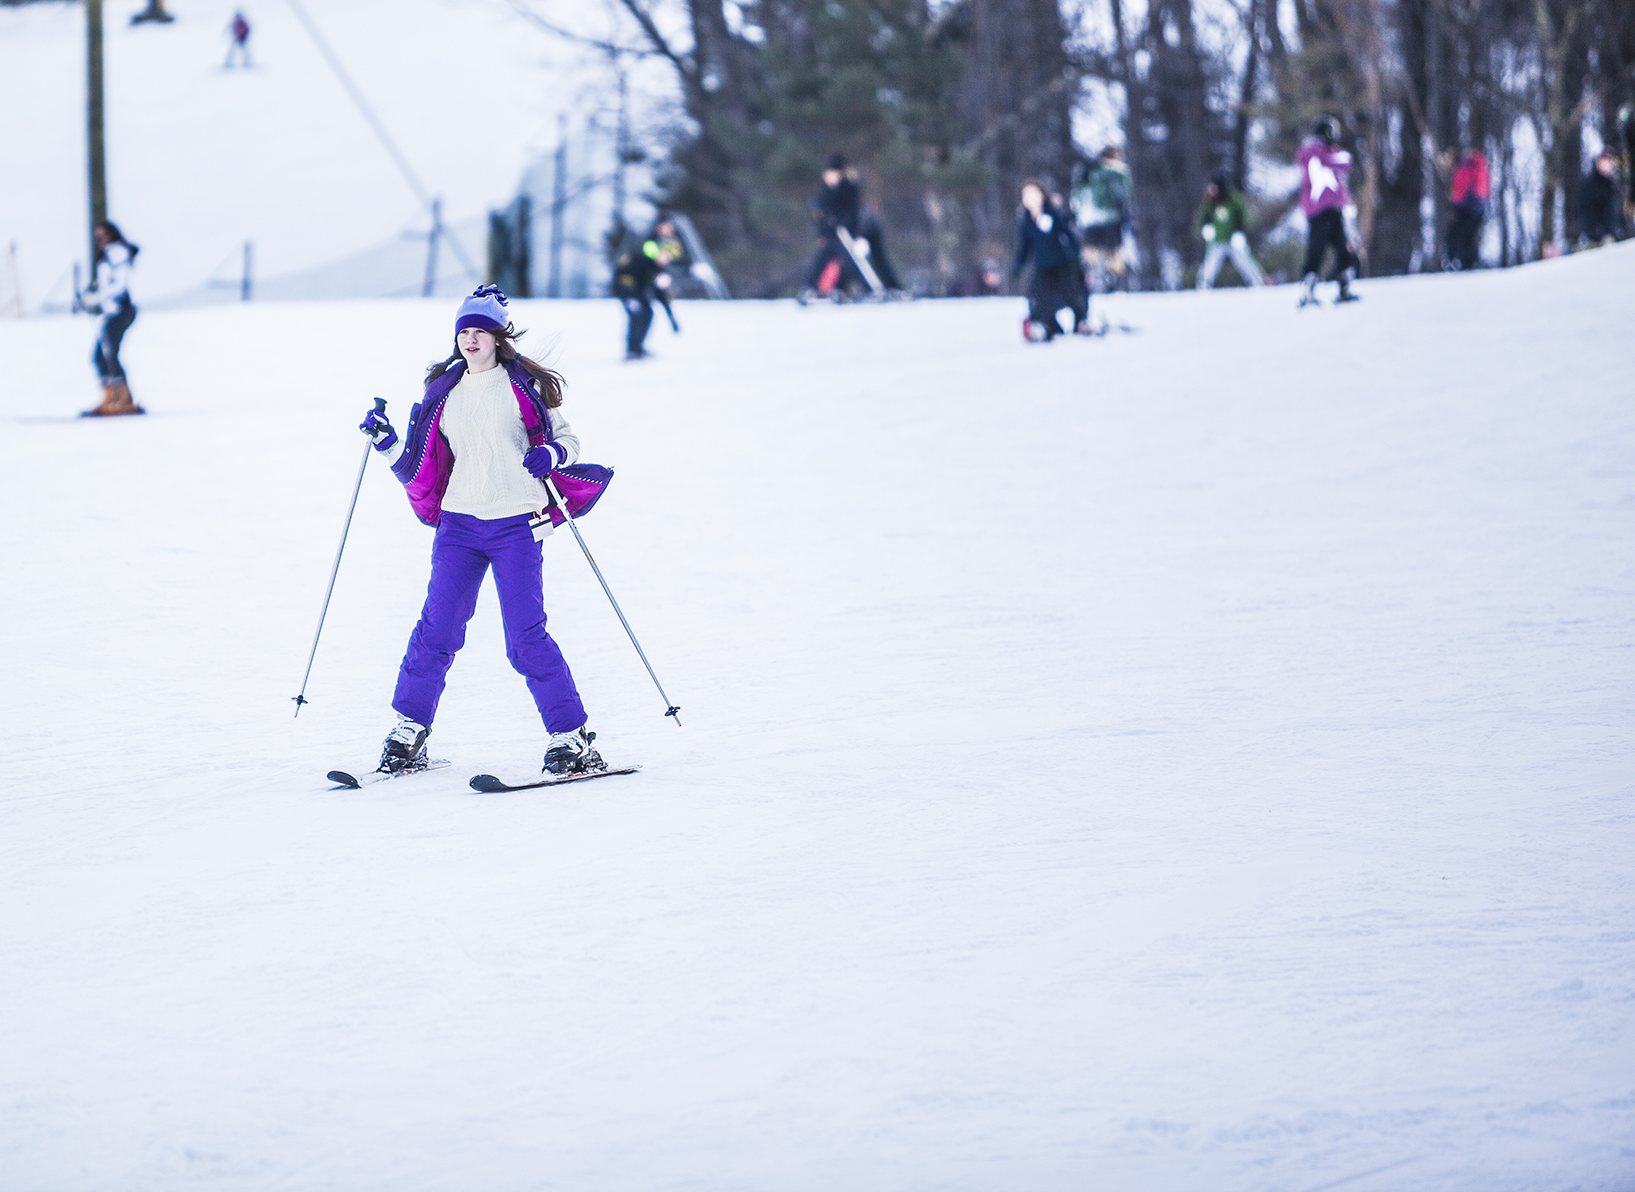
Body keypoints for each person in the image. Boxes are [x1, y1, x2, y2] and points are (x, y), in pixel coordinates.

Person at [357, 285, 605, 779]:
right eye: (463, 331)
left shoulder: (524, 389)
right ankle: (409, 731)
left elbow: (569, 439)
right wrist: (385, 442)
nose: (470, 339)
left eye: (479, 331)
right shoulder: (443, 393)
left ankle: (570, 737)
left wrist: (552, 454)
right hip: (459, 525)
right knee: (436, 630)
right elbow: (419, 464)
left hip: (517, 524)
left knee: (525, 637)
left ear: (496, 336)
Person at [78, 221, 144, 417]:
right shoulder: (110, 256)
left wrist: (95, 298)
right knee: (102, 356)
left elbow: (117, 286)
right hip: (113, 311)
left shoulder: (116, 254)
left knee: (107, 354)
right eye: (97, 237)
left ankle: (122, 399)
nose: (101, 241)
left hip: (120, 311)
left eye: (104, 236)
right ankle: (113, 397)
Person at [1011, 179, 1088, 342]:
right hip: (1043, 266)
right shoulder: (1026, 220)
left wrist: (1076, 255)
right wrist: (1018, 266)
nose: (1029, 199)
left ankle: (1080, 323)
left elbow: (1067, 234)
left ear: (1041, 195)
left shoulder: (1052, 212)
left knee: (1073, 295)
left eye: (1033, 194)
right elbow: (1025, 247)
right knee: (1038, 298)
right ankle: (1048, 327)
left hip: (1062, 264)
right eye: (1026, 195)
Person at [1297, 116, 1359, 305]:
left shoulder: (1320, 151)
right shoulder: (1315, 151)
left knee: (1343, 248)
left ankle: (1343, 286)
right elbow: (1344, 162)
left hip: (1332, 208)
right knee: (1317, 249)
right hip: (1320, 209)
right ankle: (1308, 289)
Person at [611, 218, 682, 360]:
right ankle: (632, 350)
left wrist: (672, 319)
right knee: (638, 315)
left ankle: (637, 348)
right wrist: (628, 296)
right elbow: (621, 276)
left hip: (636, 291)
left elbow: (660, 292)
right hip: (626, 289)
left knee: (647, 313)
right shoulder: (643, 258)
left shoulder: (657, 268)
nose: (666, 259)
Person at [797, 153, 863, 302]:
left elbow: (853, 212)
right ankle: (808, 287)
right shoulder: (824, 191)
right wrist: (821, 233)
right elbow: (820, 216)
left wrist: (844, 223)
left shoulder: (848, 189)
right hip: (830, 234)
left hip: (845, 234)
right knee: (821, 260)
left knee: (849, 261)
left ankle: (857, 288)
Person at [1074, 146, 1133, 294]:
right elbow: (1126, 195)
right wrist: (1129, 213)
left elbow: (1078, 195)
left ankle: (1088, 280)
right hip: (1111, 217)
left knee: (1090, 252)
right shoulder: (1118, 171)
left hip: (1089, 219)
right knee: (1114, 251)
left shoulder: (1089, 170)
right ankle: (1112, 281)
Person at [1194, 173, 1265, 289]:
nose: (1211, 190)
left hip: (1233, 239)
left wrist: (1240, 232)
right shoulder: (1209, 202)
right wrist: (1205, 229)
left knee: (1244, 261)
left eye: (1214, 188)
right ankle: (1203, 285)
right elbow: (1202, 218)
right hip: (1217, 240)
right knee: (1211, 264)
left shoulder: (1233, 200)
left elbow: (1244, 217)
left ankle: (1257, 282)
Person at [1445, 147, 1489, 270]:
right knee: (1469, 238)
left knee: (1456, 236)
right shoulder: (1478, 168)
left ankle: (1455, 263)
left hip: (1467, 209)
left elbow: (1460, 193)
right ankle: (1469, 264)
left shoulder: (1463, 170)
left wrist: (1455, 205)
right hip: (1478, 209)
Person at [1579, 150, 1622, 248]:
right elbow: (1587, 211)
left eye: (1609, 161)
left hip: (1614, 235)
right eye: (1604, 161)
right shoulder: (1590, 184)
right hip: (1597, 237)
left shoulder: (1614, 182)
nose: (1607, 165)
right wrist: (1597, 233)